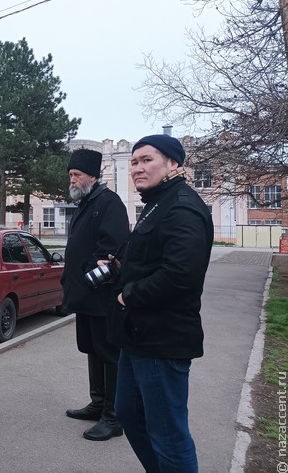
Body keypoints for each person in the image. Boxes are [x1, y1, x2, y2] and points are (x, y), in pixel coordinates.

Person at [108, 134, 213, 472]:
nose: (138, 168)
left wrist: (130, 293)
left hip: (162, 338)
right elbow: (153, 259)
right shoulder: (156, 203)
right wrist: (120, 268)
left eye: (147, 160)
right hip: (137, 335)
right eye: (134, 162)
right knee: (128, 412)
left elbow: (182, 273)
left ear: (173, 163)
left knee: (168, 433)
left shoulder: (181, 206)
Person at [61, 149, 129, 441]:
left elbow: (111, 249)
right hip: (85, 296)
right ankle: (98, 403)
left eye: (76, 175)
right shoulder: (87, 202)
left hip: (101, 295)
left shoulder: (109, 203)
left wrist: (89, 275)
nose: (72, 181)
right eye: (71, 176)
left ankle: (113, 417)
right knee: (91, 348)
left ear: (92, 175)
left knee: (108, 353)